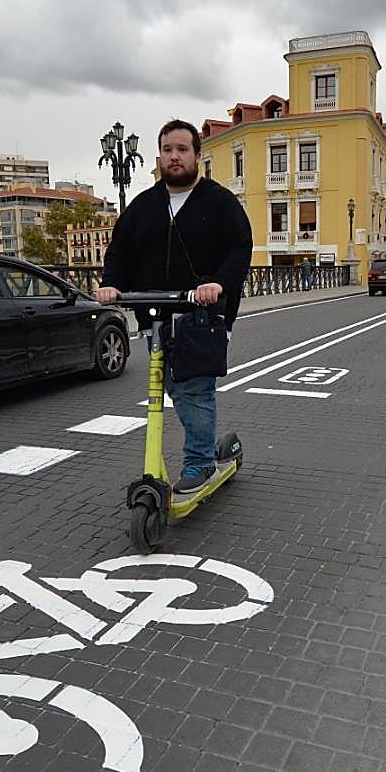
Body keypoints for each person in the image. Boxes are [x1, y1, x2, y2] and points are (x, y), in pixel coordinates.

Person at [98, 119, 252, 494]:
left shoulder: (218, 201)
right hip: (155, 316)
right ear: (159, 156)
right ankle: (209, 448)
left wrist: (218, 283)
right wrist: (111, 285)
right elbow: (120, 252)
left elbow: (239, 247)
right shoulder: (143, 206)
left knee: (194, 390)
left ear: (198, 156)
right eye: (168, 150)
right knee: (170, 387)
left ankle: (201, 463)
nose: (175, 156)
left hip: (201, 317)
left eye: (182, 149)